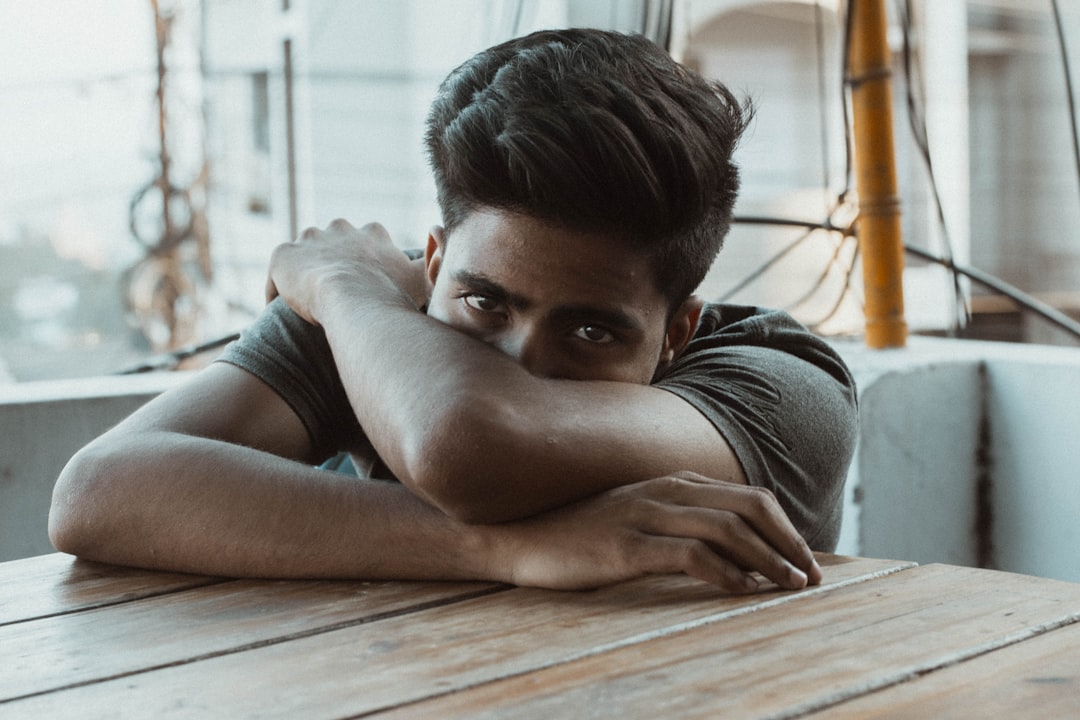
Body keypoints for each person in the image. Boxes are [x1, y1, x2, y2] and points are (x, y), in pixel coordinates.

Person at [49, 28, 857, 594]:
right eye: (484, 302)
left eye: (589, 331)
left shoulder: (783, 389)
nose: (518, 361)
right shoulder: (379, 311)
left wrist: (338, 288)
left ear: (676, 331)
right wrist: (509, 548)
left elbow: (466, 443)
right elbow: (98, 493)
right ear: (431, 263)